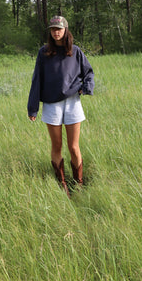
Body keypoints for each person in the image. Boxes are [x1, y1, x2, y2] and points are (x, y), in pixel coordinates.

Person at [27, 15, 94, 197]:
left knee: (73, 147)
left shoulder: (75, 51)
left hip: (72, 103)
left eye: (60, 29)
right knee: (56, 146)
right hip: (51, 105)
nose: (56, 32)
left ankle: (78, 183)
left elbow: (88, 72)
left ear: (66, 30)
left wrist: (85, 88)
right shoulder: (44, 52)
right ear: (50, 31)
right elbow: (37, 80)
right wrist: (32, 107)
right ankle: (62, 184)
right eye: (53, 29)